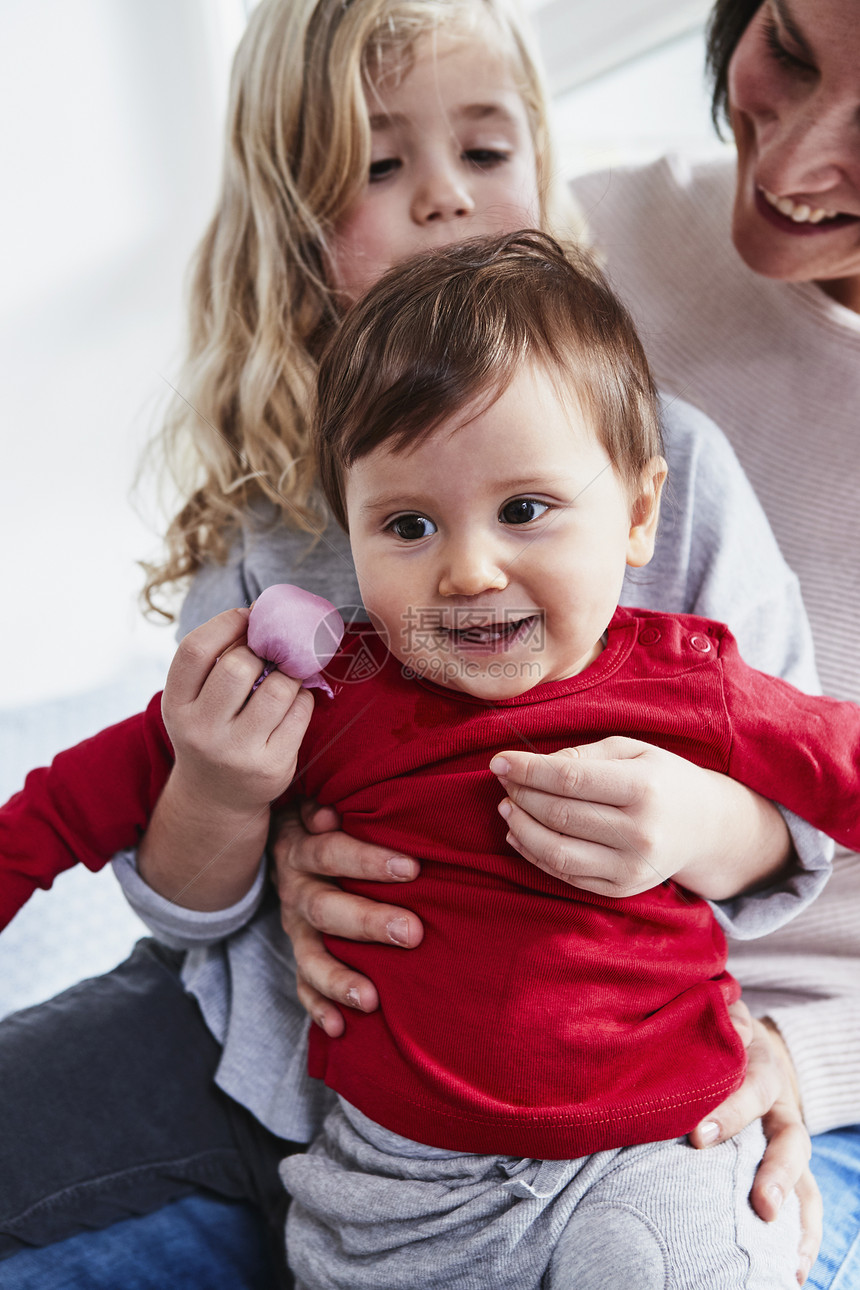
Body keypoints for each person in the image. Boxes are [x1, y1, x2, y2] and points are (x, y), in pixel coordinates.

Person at [0, 0, 830, 1285]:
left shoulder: (671, 475)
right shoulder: (271, 527)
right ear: (292, 223)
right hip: (288, 1050)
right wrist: (231, 796)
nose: (443, 200)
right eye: (379, 166)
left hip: (604, 1087)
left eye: (484, 155)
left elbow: (802, 800)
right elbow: (172, 888)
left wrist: (691, 824)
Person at [566, 1, 860, 1285]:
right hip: (430, 973)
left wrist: (804, 1052)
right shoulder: (585, 239)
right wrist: (281, 856)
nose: (789, 163)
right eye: (786, 51)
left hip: (773, 1059)